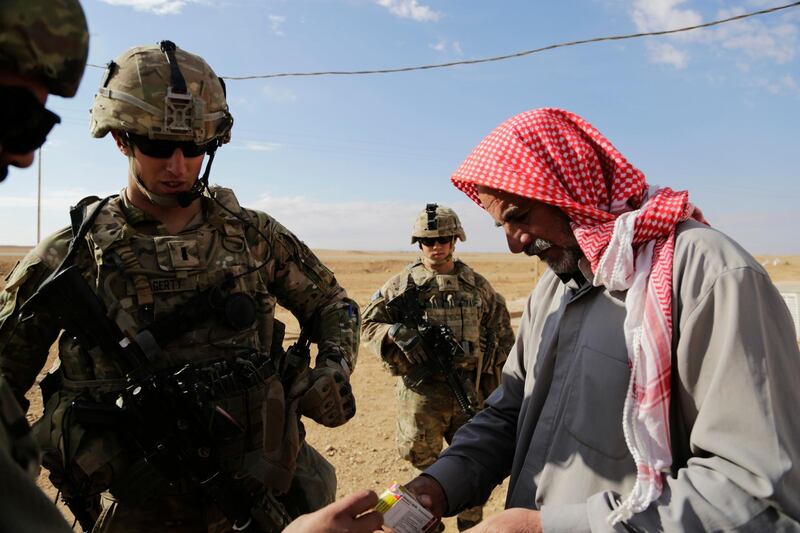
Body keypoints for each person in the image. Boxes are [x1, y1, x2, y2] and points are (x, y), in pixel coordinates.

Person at [0, 41, 360, 533]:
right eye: (156, 146)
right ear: (121, 140)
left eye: (193, 148)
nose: (177, 166)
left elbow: (333, 304)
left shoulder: (254, 235)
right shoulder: (71, 256)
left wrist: (334, 367)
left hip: (265, 495)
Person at [405, 108, 800, 532]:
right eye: (501, 223)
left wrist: (550, 528)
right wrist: (437, 487)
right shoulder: (556, 288)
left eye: (519, 215)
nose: (515, 244)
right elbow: (511, 412)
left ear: (568, 188)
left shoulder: (708, 277)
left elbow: (754, 495)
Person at [362, 204, 514, 531]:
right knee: (425, 471)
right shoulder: (401, 285)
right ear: (418, 242)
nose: (437, 246)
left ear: (455, 239)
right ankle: (423, 523)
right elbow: (367, 324)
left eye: (444, 238)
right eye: (429, 240)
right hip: (422, 396)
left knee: (473, 466)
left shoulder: (476, 285)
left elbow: (502, 333)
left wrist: (495, 381)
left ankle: (470, 526)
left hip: (468, 392)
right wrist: (394, 333)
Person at [0, 1, 89, 532]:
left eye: (38, 127)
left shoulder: (251, 234)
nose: (25, 157)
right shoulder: (68, 253)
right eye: (13, 117)